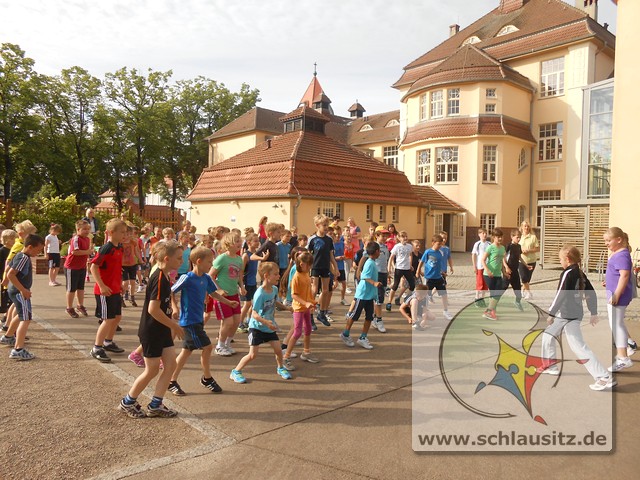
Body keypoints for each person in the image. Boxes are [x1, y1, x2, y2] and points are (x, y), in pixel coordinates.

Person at [118, 240, 185, 418]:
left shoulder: (164, 274)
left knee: (171, 364)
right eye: (178, 258)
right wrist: (174, 325)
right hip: (152, 330)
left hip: (161, 329)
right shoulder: (159, 278)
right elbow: (153, 309)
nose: (181, 261)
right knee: (152, 370)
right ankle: (128, 402)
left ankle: (156, 404)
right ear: (166, 258)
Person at [539, 245, 616, 391]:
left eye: (560, 259)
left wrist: (551, 313)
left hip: (567, 314)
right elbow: (591, 293)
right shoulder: (579, 273)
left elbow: (561, 294)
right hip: (572, 313)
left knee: (578, 346)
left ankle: (603, 377)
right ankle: (550, 365)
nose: (560, 262)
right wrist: (593, 312)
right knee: (548, 336)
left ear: (567, 260)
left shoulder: (567, 273)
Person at [168, 246, 238, 396]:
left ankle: (172, 380)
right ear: (198, 261)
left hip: (197, 319)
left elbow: (214, 293)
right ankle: (206, 378)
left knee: (186, 351)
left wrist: (228, 302)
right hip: (189, 321)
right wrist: (174, 308)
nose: (211, 265)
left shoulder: (206, 278)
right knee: (207, 347)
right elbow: (171, 292)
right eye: (209, 262)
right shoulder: (187, 278)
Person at [230, 262, 293, 383]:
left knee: (278, 350)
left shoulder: (274, 289)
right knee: (253, 354)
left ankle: (280, 368)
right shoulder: (260, 293)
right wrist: (266, 322)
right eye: (275, 274)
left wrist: (287, 308)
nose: (278, 276)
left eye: (278, 274)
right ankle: (236, 371)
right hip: (257, 328)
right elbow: (254, 313)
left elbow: (275, 302)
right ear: (266, 276)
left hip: (268, 327)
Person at [1, 234, 45, 360]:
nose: (39, 252)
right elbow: (11, 274)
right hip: (20, 292)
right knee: (26, 319)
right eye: (38, 250)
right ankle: (18, 349)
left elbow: (9, 266)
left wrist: (5, 282)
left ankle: (9, 336)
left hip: (15, 291)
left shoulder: (19, 254)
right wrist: (23, 290)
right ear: (30, 247)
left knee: (20, 315)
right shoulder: (24, 257)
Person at [89, 218, 127, 363]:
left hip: (115, 289)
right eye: (122, 232)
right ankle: (97, 347)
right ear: (112, 233)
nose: (124, 235)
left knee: (117, 317)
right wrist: (102, 285)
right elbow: (94, 267)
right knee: (108, 319)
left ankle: (108, 342)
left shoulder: (120, 247)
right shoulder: (107, 248)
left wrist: (121, 283)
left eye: (125, 232)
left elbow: (116, 268)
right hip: (104, 291)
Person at [603, 227, 634, 373]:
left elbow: (625, 276)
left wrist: (616, 294)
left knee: (616, 325)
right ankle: (623, 356)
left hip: (617, 297)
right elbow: (617, 274)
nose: (606, 243)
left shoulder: (622, 255)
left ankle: (623, 358)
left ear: (619, 240)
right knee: (616, 324)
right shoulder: (618, 254)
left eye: (608, 240)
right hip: (614, 294)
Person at [340, 242, 382, 350]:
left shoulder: (372, 262)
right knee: (354, 316)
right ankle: (345, 334)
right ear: (376, 251)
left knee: (369, 317)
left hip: (369, 295)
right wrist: (374, 283)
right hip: (362, 295)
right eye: (379, 251)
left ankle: (363, 338)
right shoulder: (369, 263)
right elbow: (364, 276)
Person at [210, 232, 246, 356]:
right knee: (228, 322)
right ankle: (219, 346)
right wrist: (218, 290)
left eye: (240, 241)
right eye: (236, 241)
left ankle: (227, 344)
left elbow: (239, 275)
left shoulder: (239, 259)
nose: (239, 243)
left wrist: (241, 287)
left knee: (236, 321)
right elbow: (210, 275)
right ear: (228, 244)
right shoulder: (222, 258)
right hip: (222, 296)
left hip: (234, 293)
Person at [283, 252, 319, 369]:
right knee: (297, 332)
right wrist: (305, 303)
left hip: (306, 308)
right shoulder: (297, 276)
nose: (310, 267)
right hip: (298, 308)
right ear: (301, 264)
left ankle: (306, 352)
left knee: (308, 328)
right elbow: (294, 295)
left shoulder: (306, 274)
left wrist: (312, 301)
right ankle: (286, 357)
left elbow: (307, 292)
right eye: (308, 265)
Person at [308, 214, 339, 326]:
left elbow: (331, 256)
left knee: (326, 291)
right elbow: (308, 255)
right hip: (315, 267)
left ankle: (321, 313)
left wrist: (335, 268)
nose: (326, 227)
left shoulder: (329, 240)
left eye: (327, 225)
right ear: (317, 226)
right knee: (314, 290)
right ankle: (310, 315)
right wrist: (307, 269)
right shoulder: (312, 240)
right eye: (324, 225)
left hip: (325, 267)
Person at [417, 234, 453, 321]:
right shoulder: (428, 252)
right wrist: (417, 271)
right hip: (429, 278)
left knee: (444, 294)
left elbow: (438, 264)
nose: (440, 246)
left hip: (438, 277)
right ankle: (421, 312)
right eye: (438, 244)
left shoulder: (440, 252)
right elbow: (421, 262)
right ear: (433, 243)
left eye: (441, 244)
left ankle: (445, 311)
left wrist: (442, 272)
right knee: (424, 296)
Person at [64, 220, 93, 318]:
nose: (86, 231)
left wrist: (88, 256)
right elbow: (75, 252)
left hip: (81, 266)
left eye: (88, 229)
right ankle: (69, 307)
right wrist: (87, 252)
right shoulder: (76, 239)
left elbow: (86, 252)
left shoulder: (87, 239)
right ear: (78, 229)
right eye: (84, 229)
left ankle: (80, 305)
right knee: (71, 288)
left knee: (81, 288)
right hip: (72, 267)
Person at [481, 229, 506, 321]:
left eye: (501, 237)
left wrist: (504, 272)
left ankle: (490, 312)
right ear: (494, 237)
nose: (500, 238)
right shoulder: (490, 247)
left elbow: (501, 262)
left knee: (497, 293)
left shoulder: (502, 248)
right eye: (498, 237)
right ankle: (490, 312)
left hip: (498, 274)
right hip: (489, 275)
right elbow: (483, 260)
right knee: (494, 294)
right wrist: (487, 270)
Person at [386, 231, 415, 311]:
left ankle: (407, 301)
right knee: (395, 285)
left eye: (406, 236)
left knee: (412, 284)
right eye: (403, 237)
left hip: (407, 268)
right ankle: (389, 302)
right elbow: (391, 257)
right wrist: (389, 268)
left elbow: (410, 255)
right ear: (399, 238)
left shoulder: (409, 246)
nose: (405, 238)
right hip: (399, 268)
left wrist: (410, 265)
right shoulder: (397, 246)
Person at [239, 233, 260, 333]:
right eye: (255, 241)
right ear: (249, 243)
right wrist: (241, 286)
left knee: (253, 304)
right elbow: (241, 272)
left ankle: (248, 321)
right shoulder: (246, 256)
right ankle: (240, 323)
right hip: (246, 282)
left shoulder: (256, 254)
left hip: (253, 282)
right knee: (247, 304)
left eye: (258, 240)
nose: (257, 242)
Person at [121, 224, 142, 307]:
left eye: (130, 234)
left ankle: (132, 296)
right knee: (125, 282)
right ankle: (121, 297)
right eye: (126, 234)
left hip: (132, 263)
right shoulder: (120, 243)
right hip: (123, 264)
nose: (128, 236)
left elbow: (136, 251)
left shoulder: (133, 242)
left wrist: (140, 260)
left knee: (133, 282)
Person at [503, 229, 524, 311]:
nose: (519, 239)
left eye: (520, 237)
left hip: (515, 271)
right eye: (517, 237)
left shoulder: (518, 246)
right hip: (508, 271)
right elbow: (503, 257)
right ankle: (493, 303)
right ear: (512, 237)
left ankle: (517, 302)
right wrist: (506, 267)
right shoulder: (509, 246)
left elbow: (519, 257)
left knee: (518, 289)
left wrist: (526, 265)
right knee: (503, 287)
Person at [471, 228, 491, 308]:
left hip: (487, 267)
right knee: (480, 283)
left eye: (485, 233)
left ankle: (482, 298)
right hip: (480, 266)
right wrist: (474, 266)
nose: (484, 235)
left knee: (485, 284)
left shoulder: (489, 244)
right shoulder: (477, 244)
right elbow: (473, 255)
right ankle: (477, 298)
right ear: (479, 234)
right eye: (482, 233)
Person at [519, 221, 539, 299]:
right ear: (522, 227)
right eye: (525, 226)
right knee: (523, 278)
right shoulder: (520, 237)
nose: (526, 228)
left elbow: (537, 248)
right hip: (521, 260)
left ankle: (522, 291)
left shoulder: (533, 237)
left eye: (527, 226)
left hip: (531, 261)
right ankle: (529, 293)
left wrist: (529, 250)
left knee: (527, 279)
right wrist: (521, 251)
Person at [0, 230, 17, 320]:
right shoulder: (2, 251)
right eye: (12, 238)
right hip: (4, 276)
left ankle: (7, 315)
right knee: (5, 297)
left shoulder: (14, 250)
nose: (14, 240)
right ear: (6, 239)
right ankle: (6, 313)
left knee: (11, 297)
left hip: (12, 276)